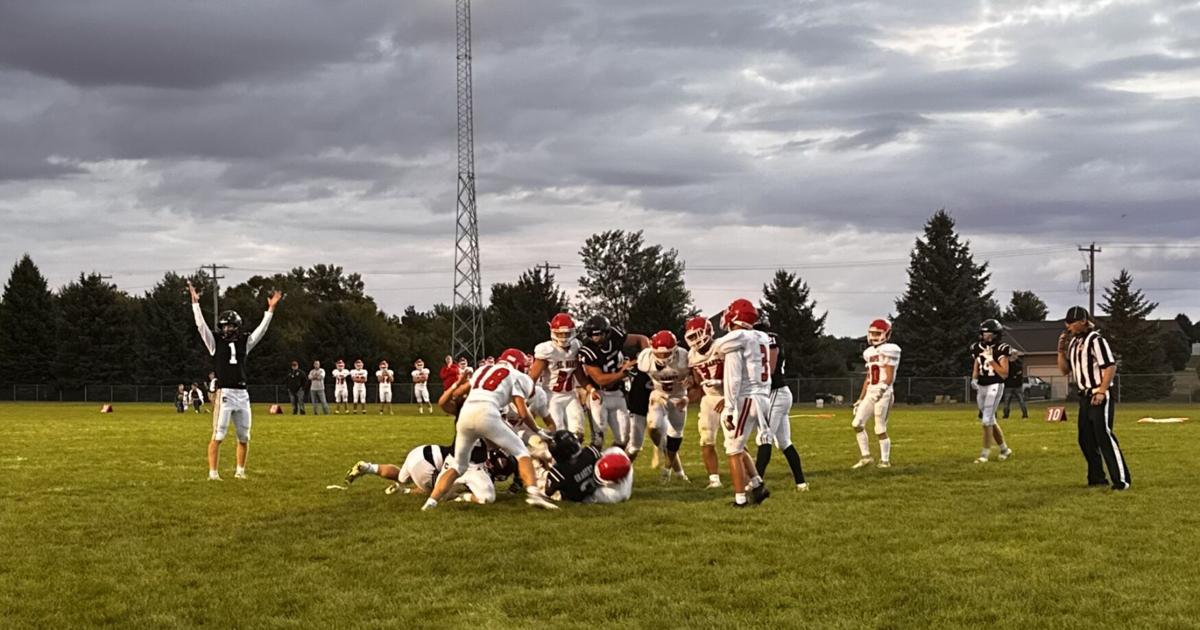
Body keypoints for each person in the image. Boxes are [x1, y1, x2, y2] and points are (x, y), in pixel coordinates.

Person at [421, 349, 557, 511]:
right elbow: (522, 411)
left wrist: (459, 383)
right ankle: (534, 494)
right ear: (519, 365)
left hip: (465, 414)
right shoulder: (517, 376)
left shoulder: (483, 369)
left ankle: (430, 502)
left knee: (458, 466)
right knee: (521, 453)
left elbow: (456, 394)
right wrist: (538, 429)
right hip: (487, 413)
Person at [187, 279, 281, 481]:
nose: (228, 329)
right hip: (225, 393)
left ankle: (240, 471)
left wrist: (270, 310)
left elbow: (261, 331)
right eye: (226, 326)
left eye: (232, 326)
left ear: (237, 327)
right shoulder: (215, 342)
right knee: (218, 434)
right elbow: (201, 326)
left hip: (242, 393)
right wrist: (195, 304)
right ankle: (213, 473)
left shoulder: (244, 342)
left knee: (244, 436)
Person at [1057, 306, 1130, 491]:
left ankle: (1121, 480)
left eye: (1071, 323)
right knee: (1085, 439)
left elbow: (1110, 367)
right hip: (1084, 396)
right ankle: (1097, 478)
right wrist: (1060, 350)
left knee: (1104, 435)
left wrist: (1101, 391)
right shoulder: (1074, 343)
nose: (1068, 327)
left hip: (1098, 394)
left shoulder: (1096, 340)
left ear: (1082, 321)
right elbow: (1065, 370)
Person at [712, 299, 772, 507]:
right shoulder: (761, 336)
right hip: (762, 397)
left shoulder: (738, 338)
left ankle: (740, 499)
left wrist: (729, 407)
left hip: (746, 398)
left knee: (733, 450)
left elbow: (733, 377)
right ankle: (756, 485)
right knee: (736, 443)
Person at [344, 444, 513, 504]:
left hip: (421, 451)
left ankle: (368, 467)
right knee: (442, 491)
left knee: (401, 477)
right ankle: (405, 491)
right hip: (428, 464)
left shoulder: (475, 448)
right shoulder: (477, 465)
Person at [578, 315, 651, 449]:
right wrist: (624, 372)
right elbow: (600, 380)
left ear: (607, 332)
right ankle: (593, 467)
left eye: (598, 335)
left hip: (618, 393)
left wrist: (646, 356)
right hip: (599, 395)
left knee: (624, 439)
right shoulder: (588, 351)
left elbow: (642, 339)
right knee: (598, 440)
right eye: (592, 335)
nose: (595, 339)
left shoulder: (615, 336)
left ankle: (610, 464)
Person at [752, 321, 808, 491]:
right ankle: (801, 483)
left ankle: (756, 484)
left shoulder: (770, 339)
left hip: (775, 391)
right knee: (783, 442)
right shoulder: (761, 339)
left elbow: (770, 368)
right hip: (775, 393)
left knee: (764, 436)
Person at [636, 330, 691, 482]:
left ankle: (669, 471)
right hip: (658, 395)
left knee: (675, 434)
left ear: (675, 349)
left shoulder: (684, 357)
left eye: (666, 353)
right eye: (658, 354)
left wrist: (690, 387)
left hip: (678, 397)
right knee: (653, 426)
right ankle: (661, 448)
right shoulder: (645, 359)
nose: (662, 357)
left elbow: (696, 375)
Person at [851, 319, 901, 469]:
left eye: (877, 333)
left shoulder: (890, 349)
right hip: (872, 390)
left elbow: (890, 376)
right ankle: (866, 457)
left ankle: (885, 460)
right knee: (857, 424)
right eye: (872, 333)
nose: (874, 336)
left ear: (887, 334)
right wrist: (860, 399)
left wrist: (882, 389)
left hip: (884, 391)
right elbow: (868, 377)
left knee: (879, 428)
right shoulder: (869, 353)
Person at [529, 313, 587, 439]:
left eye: (566, 333)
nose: (563, 337)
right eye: (560, 333)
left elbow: (579, 372)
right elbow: (532, 376)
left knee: (578, 432)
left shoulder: (577, 346)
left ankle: (574, 456)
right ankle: (558, 457)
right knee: (559, 434)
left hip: (570, 394)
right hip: (552, 395)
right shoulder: (547, 349)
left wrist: (590, 389)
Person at [686, 316, 724, 488]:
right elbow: (696, 382)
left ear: (708, 331)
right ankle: (714, 480)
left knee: (735, 440)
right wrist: (689, 385)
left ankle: (749, 478)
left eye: (697, 335)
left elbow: (736, 372)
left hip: (727, 396)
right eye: (691, 336)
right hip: (709, 399)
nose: (695, 340)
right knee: (706, 438)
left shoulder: (721, 347)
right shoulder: (691, 356)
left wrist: (727, 393)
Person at [544, 431, 634, 504]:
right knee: (616, 451)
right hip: (597, 490)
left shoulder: (558, 472)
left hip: (584, 497)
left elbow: (548, 492)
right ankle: (620, 478)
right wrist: (598, 436)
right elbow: (598, 444)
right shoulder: (589, 453)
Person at [971, 319, 1014, 463]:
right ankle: (1004, 449)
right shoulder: (977, 347)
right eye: (983, 333)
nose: (984, 335)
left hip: (995, 385)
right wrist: (974, 378)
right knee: (990, 420)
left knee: (986, 421)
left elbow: (1004, 373)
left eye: (987, 332)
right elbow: (977, 363)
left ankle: (984, 454)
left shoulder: (1002, 348)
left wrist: (991, 361)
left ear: (995, 334)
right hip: (982, 386)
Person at [1002, 350, 1029, 419]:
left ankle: (1024, 415)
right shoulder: (1013, 362)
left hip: (1016, 386)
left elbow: (1014, 371)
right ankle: (1006, 415)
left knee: (1019, 401)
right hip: (1010, 385)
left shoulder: (1016, 362)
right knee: (1008, 402)